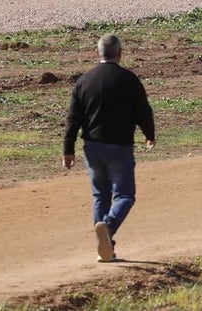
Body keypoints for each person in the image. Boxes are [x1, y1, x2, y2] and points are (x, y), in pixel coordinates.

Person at [63, 34, 155, 263]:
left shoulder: (84, 81)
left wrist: (68, 149)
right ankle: (109, 227)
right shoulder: (128, 79)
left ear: (98, 53)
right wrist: (149, 134)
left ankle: (105, 249)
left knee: (100, 196)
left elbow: (73, 119)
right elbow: (143, 111)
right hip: (119, 148)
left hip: (92, 148)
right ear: (120, 53)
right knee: (124, 195)